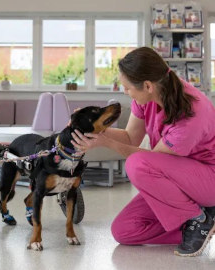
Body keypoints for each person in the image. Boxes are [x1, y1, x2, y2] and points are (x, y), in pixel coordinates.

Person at [70, 46, 215, 257]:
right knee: (124, 231)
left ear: (147, 85)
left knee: (136, 164)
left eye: (127, 87)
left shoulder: (192, 112)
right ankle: (196, 223)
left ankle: (199, 219)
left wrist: (105, 143)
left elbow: (150, 160)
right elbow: (130, 137)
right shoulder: (146, 98)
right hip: (179, 180)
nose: (125, 92)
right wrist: (94, 129)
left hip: (207, 181)